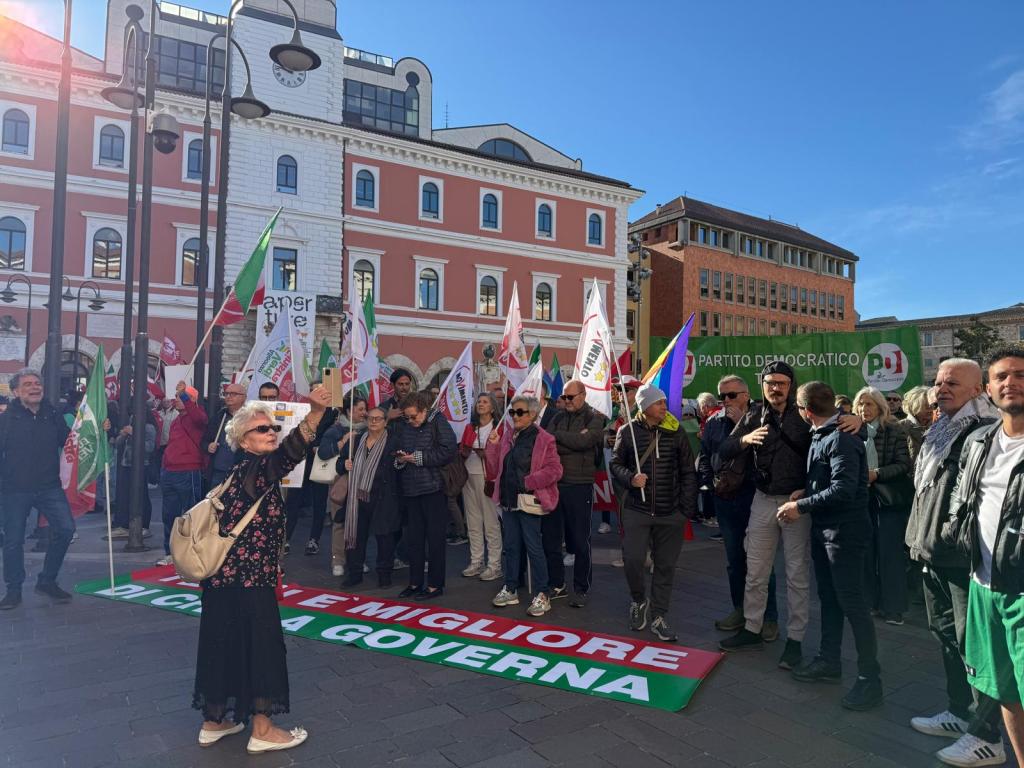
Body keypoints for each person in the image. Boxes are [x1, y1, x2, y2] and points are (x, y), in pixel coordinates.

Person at [192, 385, 332, 754]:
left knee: (222, 648)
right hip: (250, 581)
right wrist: (315, 413)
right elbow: (289, 455)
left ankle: (216, 720)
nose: (271, 432)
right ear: (243, 439)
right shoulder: (256, 470)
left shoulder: (236, 473)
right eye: (261, 429)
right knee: (262, 651)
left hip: (220, 579)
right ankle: (263, 729)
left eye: (273, 428)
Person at [718, 361, 861, 669]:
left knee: (796, 574)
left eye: (781, 383)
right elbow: (724, 448)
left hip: (797, 502)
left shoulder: (803, 412)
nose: (775, 388)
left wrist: (855, 419)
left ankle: (795, 640)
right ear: (762, 385)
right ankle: (752, 627)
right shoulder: (754, 413)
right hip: (763, 498)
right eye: (770, 382)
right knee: (755, 570)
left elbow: (835, 425)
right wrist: (745, 439)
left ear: (791, 385)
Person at [906, 358, 1005, 766]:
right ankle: (959, 711)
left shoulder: (983, 431)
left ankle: (988, 736)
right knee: (945, 634)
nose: (941, 388)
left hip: (960, 556)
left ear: (978, 389)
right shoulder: (940, 428)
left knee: (975, 647)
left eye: (953, 383)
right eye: (938, 381)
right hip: (931, 550)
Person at [779, 381, 882, 711]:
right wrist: (805, 490)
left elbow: (845, 489)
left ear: (807, 411)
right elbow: (829, 480)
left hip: (844, 533)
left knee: (853, 604)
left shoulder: (839, 436)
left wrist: (802, 505)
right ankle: (828, 660)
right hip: (827, 531)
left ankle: (870, 679)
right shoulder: (827, 432)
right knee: (830, 599)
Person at [950, 344, 1024, 766]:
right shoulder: (979, 440)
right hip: (984, 584)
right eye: (1002, 377)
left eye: (1020, 374)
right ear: (989, 390)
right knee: (1005, 691)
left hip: (1023, 591)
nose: (1010, 382)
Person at [610, 383, 697, 642]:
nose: (664, 406)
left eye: (663, 402)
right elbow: (615, 463)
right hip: (638, 509)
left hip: (671, 513)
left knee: (665, 566)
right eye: (659, 402)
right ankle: (638, 601)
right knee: (633, 560)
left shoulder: (677, 431)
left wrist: (685, 510)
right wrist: (631, 478)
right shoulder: (627, 432)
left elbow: (688, 472)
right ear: (644, 406)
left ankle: (659, 614)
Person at [699, 374, 779, 638]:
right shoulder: (714, 422)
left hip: (754, 497)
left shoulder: (762, 418)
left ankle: (769, 618)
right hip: (725, 499)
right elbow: (708, 454)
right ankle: (740, 609)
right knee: (735, 560)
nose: (726, 401)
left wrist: (739, 426)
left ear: (746, 395)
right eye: (722, 396)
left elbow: (767, 453)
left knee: (760, 560)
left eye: (732, 395)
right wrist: (708, 484)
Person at [0, 369, 76, 609]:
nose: (35, 388)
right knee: (13, 541)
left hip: (48, 486)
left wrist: (98, 430)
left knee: (65, 530)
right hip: (15, 489)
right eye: (27, 385)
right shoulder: (6, 419)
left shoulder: (52, 414)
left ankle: (47, 580)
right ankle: (13, 590)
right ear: (15, 392)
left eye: (37, 383)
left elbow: (69, 440)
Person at [486, 395, 562, 617]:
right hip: (508, 500)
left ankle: (542, 593)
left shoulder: (544, 438)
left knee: (533, 548)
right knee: (511, 547)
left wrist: (529, 482)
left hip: (528, 500)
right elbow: (495, 468)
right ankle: (510, 588)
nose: (515, 416)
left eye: (520, 412)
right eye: (512, 412)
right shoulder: (508, 435)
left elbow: (555, 470)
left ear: (532, 414)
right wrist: (492, 448)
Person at [853, 386, 913, 626]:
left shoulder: (894, 429)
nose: (863, 409)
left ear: (880, 407)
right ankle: (870, 602)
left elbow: (903, 463)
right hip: (860, 500)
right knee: (865, 553)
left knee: (890, 555)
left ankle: (894, 607)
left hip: (887, 500)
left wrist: (876, 474)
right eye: (860, 404)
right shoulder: (853, 431)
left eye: (869, 404)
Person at [546, 380, 606, 608]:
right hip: (555, 484)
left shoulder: (594, 418)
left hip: (580, 485)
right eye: (565, 397)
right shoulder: (558, 417)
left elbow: (586, 441)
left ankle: (581, 587)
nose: (566, 401)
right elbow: (547, 442)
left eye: (571, 397)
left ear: (583, 395)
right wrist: (571, 440)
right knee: (552, 539)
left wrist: (561, 438)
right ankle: (557, 583)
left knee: (580, 540)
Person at [394, 391, 457, 600]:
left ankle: (434, 585)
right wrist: (401, 458)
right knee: (414, 539)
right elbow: (398, 447)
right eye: (407, 417)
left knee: (435, 539)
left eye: (414, 416)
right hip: (411, 488)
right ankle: (414, 582)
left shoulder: (438, 421)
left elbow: (448, 451)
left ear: (424, 410)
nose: (411, 421)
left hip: (433, 488)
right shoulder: (405, 425)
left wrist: (419, 458)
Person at [339, 406, 401, 588]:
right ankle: (354, 574)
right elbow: (339, 466)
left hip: (383, 497)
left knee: (384, 538)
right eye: (371, 418)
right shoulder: (356, 441)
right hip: (356, 499)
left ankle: (384, 575)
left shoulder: (393, 442)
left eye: (378, 419)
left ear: (385, 421)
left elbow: (399, 469)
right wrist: (344, 464)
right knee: (355, 537)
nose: (374, 422)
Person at [157, 383, 208, 567]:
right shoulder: (177, 420)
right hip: (170, 471)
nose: (176, 400)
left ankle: (192, 552)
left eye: (180, 398)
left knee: (191, 515)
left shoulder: (197, 416)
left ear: (191, 400)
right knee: (169, 515)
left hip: (188, 470)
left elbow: (198, 417)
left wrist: (183, 394)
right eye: (178, 397)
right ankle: (170, 552)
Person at [317, 396, 367, 576]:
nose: (364, 413)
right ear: (349, 411)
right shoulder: (336, 429)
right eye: (360, 409)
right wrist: (342, 441)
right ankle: (338, 560)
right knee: (340, 521)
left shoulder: (369, 429)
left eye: (364, 409)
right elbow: (322, 452)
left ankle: (357, 558)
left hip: (362, 481)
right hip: (341, 481)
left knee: (359, 522)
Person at [460, 392, 503, 581]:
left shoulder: (499, 428)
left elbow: (502, 453)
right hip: (468, 477)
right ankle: (476, 561)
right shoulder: (470, 427)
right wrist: (467, 450)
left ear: (493, 407)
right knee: (473, 522)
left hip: (488, 479)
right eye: (479, 401)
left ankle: (494, 564)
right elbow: (462, 448)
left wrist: (487, 452)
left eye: (485, 402)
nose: (481, 404)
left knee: (491, 523)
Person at [110, 413, 157, 538]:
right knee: (125, 495)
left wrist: (134, 434)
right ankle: (124, 525)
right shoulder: (130, 425)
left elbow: (149, 447)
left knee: (142, 495)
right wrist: (123, 435)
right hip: (126, 463)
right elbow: (118, 444)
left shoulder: (149, 428)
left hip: (142, 465)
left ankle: (144, 525)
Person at [204, 383, 247, 489]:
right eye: (226, 393)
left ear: (244, 397)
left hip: (241, 472)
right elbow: (204, 440)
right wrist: (208, 446)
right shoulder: (219, 416)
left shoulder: (250, 417)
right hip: (219, 471)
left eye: (233, 394)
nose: (228, 396)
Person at [901, 385, 933, 466]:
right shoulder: (899, 427)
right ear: (914, 405)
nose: (931, 409)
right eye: (926, 405)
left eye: (932, 405)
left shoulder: (937, 426)